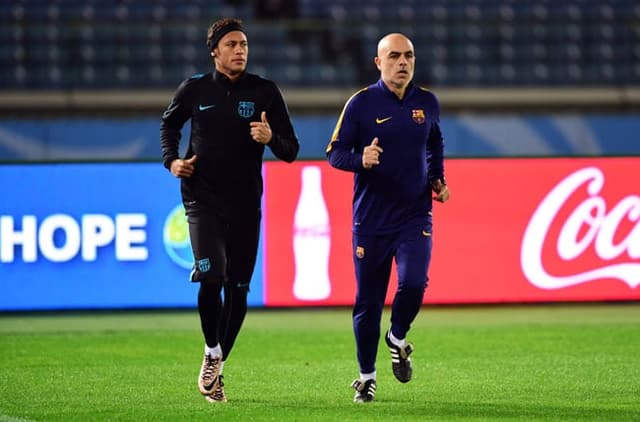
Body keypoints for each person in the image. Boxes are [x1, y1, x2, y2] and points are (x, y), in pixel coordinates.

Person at [160, 18, 299, 403]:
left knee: (239, 290)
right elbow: (168, 126)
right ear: (215, 51)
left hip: (245, 203)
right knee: (212, 276)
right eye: (232, 44)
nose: (240, 50)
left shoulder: (264, 92)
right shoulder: (194, 89)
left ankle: (217, 363)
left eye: (244, 45)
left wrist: (271, 139)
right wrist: (173, 161)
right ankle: (210, 350)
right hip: (201, 199)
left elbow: (291, 149)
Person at [326, 33, 450, 403]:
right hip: (371, 220)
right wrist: (359, 160)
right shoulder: (361, 104)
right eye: (394, 56)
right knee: (368, 302)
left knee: (414, 284)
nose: (403, 62)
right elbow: (334, 153)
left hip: (415, 213)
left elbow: (434, 142)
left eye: (408, 55)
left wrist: (438, 178)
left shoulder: (427, 102)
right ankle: (366, 377)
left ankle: (396, 337)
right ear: (378, 63)